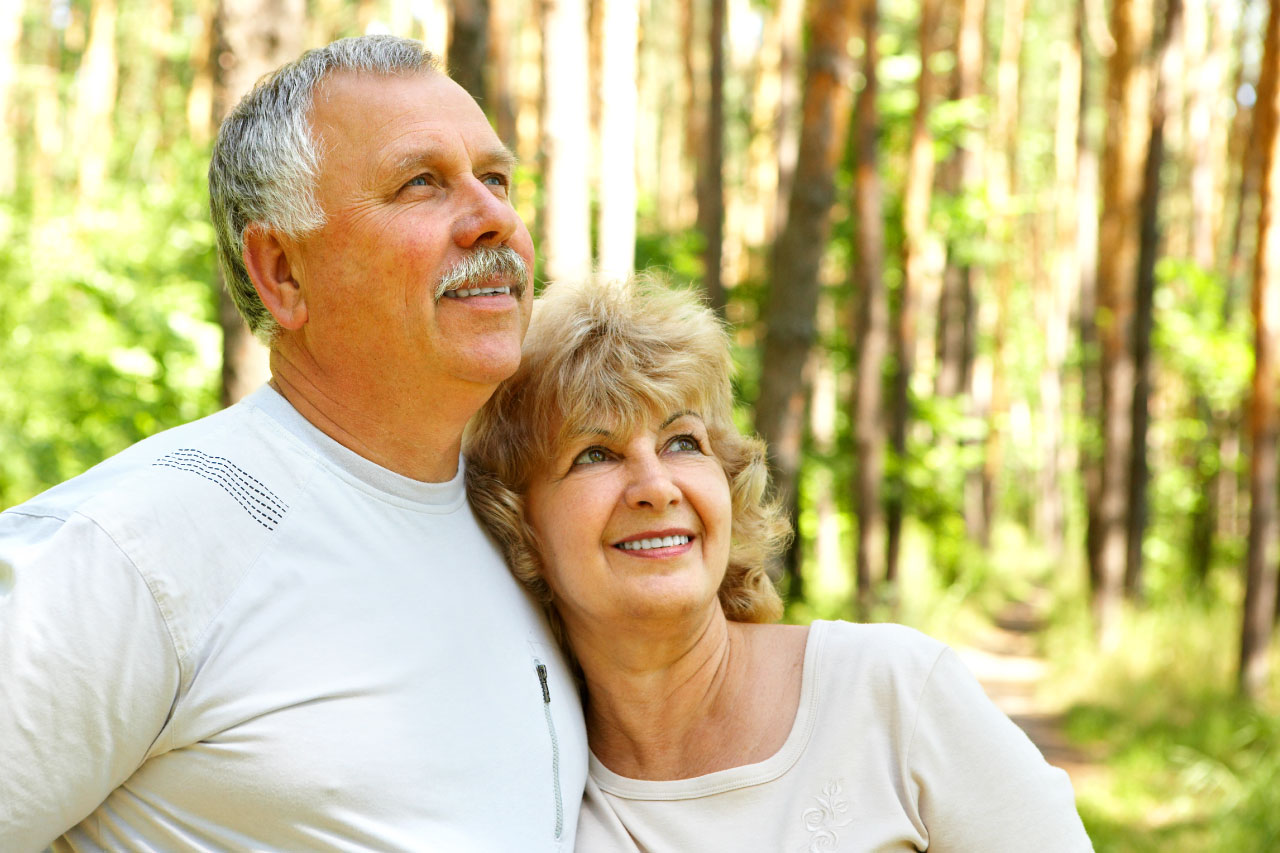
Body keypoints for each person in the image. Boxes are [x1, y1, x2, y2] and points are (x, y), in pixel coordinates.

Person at [0, 36, 586, 851]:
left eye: (494, 178)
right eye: (421, 183)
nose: (496, 218)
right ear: (281, 271)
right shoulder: (137, 548)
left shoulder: (526, 531)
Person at [464, 276, 1094, 852]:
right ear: (519, 522)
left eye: (683, 442)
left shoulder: (891, 693)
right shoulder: (537, 793)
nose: (656, 486)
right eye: (595, 454)